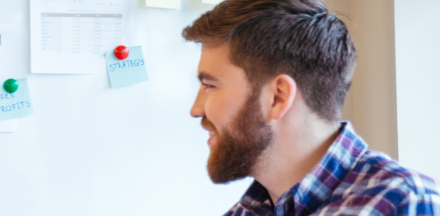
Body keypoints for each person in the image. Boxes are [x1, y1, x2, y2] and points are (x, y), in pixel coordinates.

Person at [184, 0, 440, 215]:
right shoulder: (245, 211)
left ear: (277, 97)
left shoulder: (403, 202)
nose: (196, 109)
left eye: (209, 85)